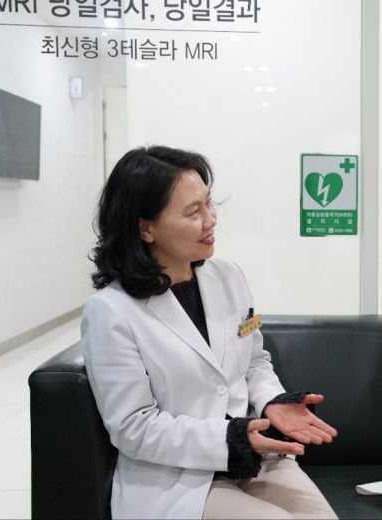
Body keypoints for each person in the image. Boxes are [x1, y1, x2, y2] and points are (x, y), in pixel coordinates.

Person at [82, 146, 338, 519]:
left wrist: (272, 401)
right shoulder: (110, 311)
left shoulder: (229, 277)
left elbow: (255, 361)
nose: (211, 220)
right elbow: (133, 428)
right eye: (193, 212)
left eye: (209, 203)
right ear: (145, 228)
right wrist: (231, 439)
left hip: (255, 459)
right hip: (177, 480)